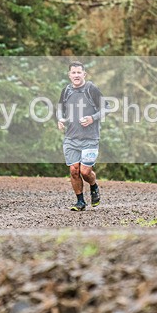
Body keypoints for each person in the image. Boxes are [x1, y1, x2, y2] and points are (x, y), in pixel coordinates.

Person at [57, 61, 108, 211]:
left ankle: (93, 186)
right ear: (69, 75)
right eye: (73, 73)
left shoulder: (91, 89)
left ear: (84, 74)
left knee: (85, 172)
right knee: (74, 170)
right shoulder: (66, 91)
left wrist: (92, 118)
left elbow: (106, 108)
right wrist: (60, 118)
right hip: (71, 138)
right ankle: (80, 202)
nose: (76, 75)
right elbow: (60, 109)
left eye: (79, 72)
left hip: (90, 138)